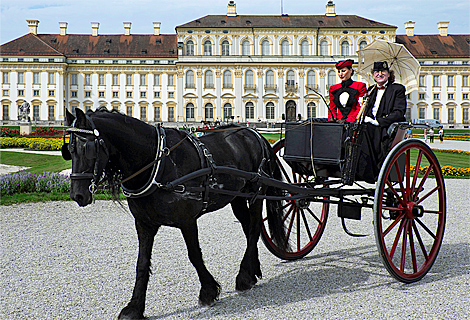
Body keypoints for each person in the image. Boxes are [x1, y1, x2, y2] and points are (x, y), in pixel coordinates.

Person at [356, 61, 407, 183]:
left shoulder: (397, 89)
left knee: (366, 131)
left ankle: (370, 170)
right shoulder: (370, 90)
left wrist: (378, 122)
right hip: (369, 125)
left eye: (383, 72)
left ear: (389, 74)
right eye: (376, 72)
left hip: (385, 127)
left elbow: (399, 112)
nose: (379, 74)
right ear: (373, 75)